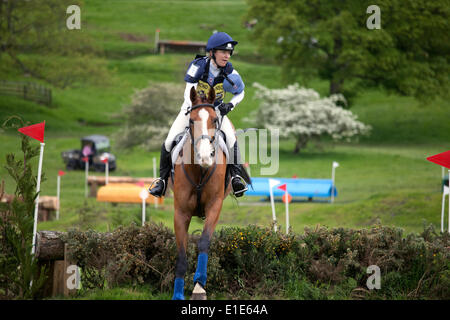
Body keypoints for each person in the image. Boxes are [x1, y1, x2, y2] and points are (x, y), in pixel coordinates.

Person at [149, 31, 248, 198]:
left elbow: (241, 93)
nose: (227, 56)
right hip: (191, 110)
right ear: (212, 53)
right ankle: (162, 181)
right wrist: (193, 108)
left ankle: (236, 178)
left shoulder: (232, 72)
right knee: (168, 141)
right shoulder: (198, 66)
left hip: (215, 113)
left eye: (229, 53)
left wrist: (230, 105)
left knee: (231, 139)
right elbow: (189, 90)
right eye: (223, 52)